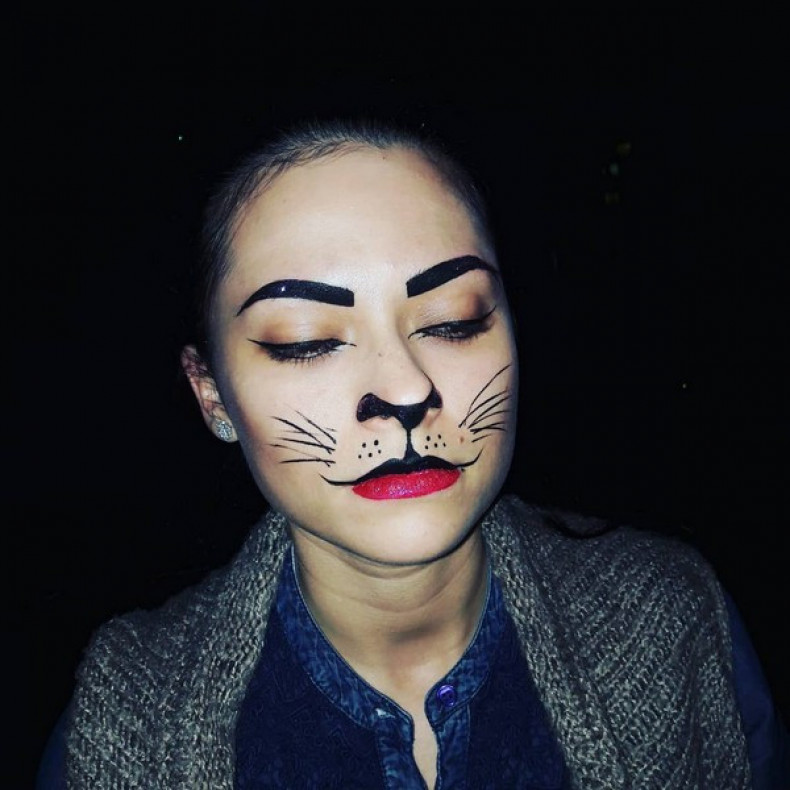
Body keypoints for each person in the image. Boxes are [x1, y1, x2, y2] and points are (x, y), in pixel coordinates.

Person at [38, 118, 788, 788]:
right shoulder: (124, 721)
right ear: (212, 396)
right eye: (306, 341)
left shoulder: (673, 618)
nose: (404, 390)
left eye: (453, 321)